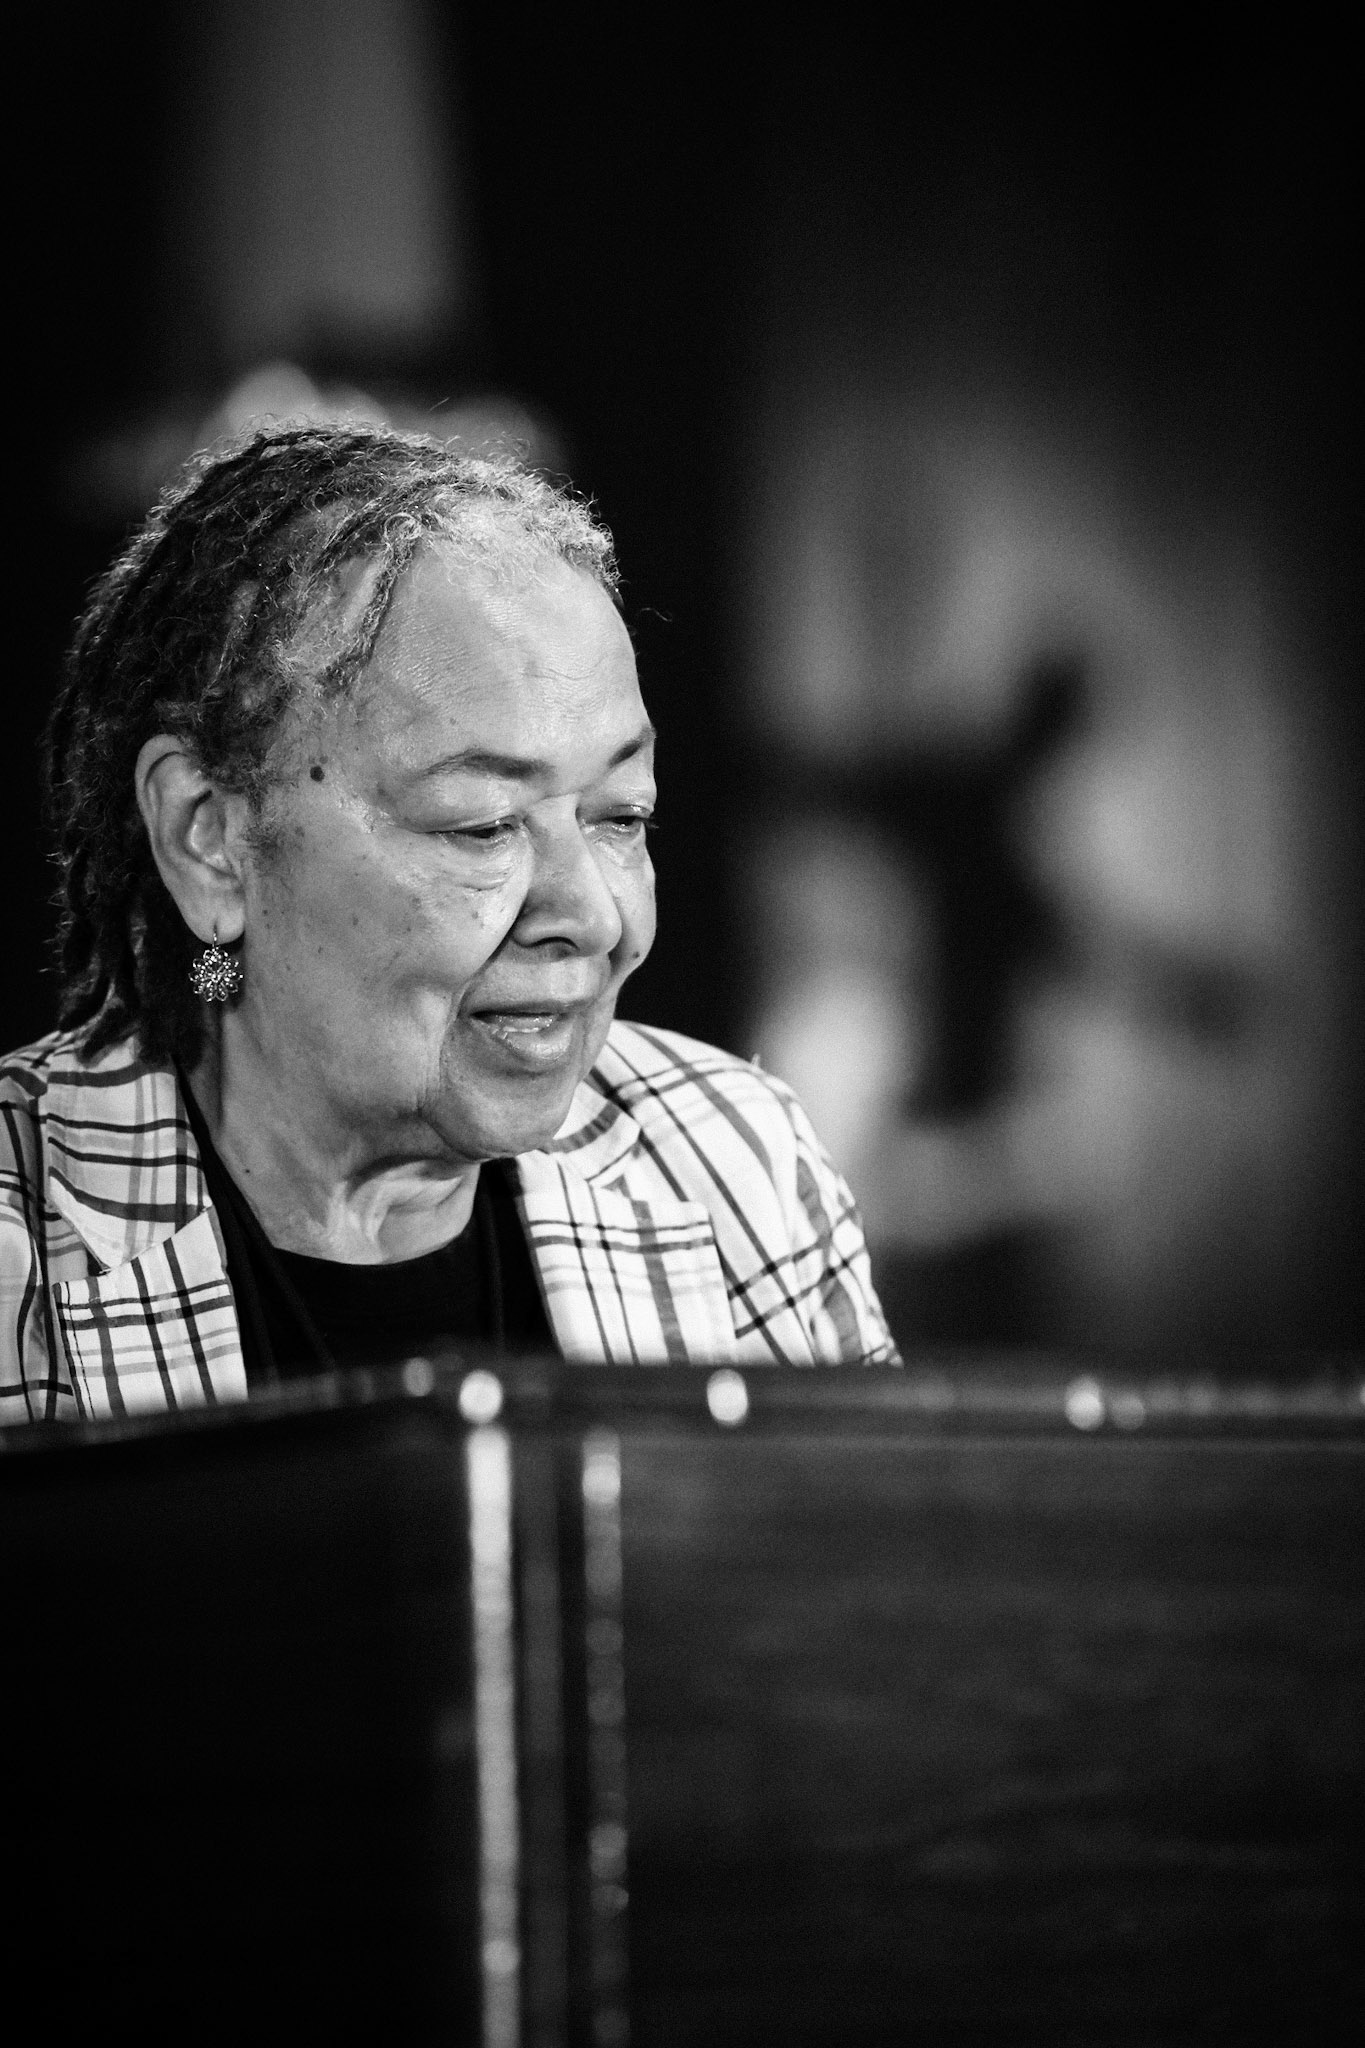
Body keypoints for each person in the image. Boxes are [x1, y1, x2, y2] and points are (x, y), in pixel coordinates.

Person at [0, 424, 898, 1423]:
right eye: (481, 825)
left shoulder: (732, 1158)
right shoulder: (20, 1235)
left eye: (622, 816)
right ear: (209, 834)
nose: (590, 917)